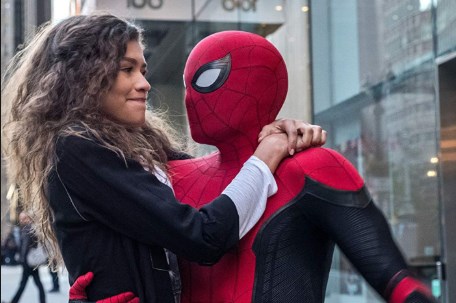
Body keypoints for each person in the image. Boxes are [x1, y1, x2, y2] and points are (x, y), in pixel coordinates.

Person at [70, 31, 437, 303]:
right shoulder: (166, 175)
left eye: (206, 79)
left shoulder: (310, 167)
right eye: (185, 85)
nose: (191, 98)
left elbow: (394, 279)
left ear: (260, 82)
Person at [1, 13, 325, 303]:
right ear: (84, 77)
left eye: (143, 69)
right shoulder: (77, 147)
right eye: (127, 70)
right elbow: (202, 235)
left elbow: (217, 182)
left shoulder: (133, 142)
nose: (144, 83)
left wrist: (275, 134)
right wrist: (265, 155)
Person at [7, 212, 46, 303]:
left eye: (24, 218)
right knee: (36, 283)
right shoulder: (29, 228)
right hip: (31, 261)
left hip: (28, 261)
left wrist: (23, 259)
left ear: (28, 218)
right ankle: (43, 300)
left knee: (24, 284)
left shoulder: (27, 228)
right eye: (21, 218)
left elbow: (25, 245)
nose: (22, 220)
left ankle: (13, 301)